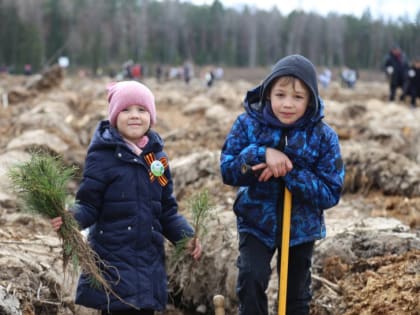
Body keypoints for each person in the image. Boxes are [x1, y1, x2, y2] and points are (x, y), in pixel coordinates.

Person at [51, 80, 202, 315]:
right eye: (126, 110)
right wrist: (70, 219)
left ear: (151, 117)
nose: (134, 116)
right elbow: (89, 204)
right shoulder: (102, 157)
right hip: (113, 264)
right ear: (114, 116)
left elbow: (166, 210)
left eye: (142, 110)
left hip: (148, 265)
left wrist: (186, 237)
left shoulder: (158, 159)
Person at [220, 54, 345, 315]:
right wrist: (261, 153)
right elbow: (228, 171)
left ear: (311, 99)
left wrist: (289, 171)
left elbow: (331, 192)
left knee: (296, 296)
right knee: (251, 281)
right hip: (256, 222)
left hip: (301, 228)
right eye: (280, 95)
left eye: (298, 97)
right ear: (268, 94)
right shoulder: (247, 125)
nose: (287, 104)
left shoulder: (323, 137)